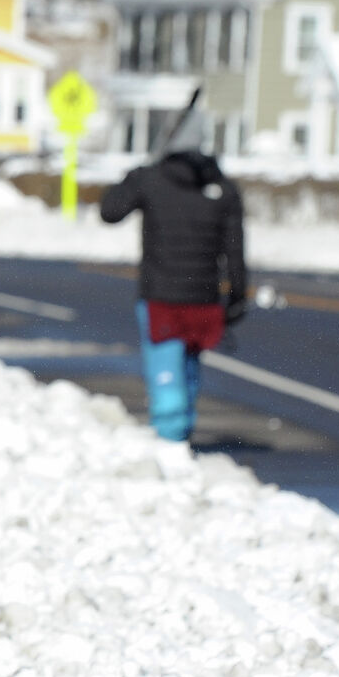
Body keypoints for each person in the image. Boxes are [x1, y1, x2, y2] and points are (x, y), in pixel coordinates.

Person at [99, 107, 248, 442]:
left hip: (161, 299)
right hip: (204, 300)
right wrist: (237, 296)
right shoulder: (222, 187)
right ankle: (181, 436)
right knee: (189, 371)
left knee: (166, 371)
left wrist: (136, 174)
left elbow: (110, 211)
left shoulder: (150, 179)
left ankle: (171, 442)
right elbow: (235, 250)